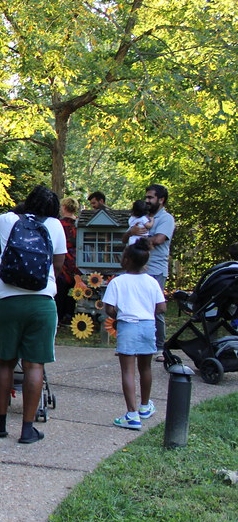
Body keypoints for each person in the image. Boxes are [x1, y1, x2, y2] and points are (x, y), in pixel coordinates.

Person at [0, 185, 66, 444]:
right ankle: (27, 429)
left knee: (5, 362)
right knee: (34, 364)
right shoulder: (55, 225)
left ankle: (0, 422)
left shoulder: (8, 220)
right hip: (41, 303)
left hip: (8, 302)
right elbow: (58, 264)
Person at [102, 239, 166, 430]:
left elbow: (109, 309)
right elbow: (162, 307)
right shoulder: (152, 281)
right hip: (148, 326)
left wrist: (119, 314)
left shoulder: (117, 282)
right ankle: (145, 406)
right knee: (145, 368)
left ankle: (132, 415)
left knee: (127, 371)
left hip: (127, 326)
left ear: (126, 260)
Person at [127, 184, 173, 360]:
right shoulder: (140, 217)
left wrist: (137, 241)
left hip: (155, 269)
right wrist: (131, 232)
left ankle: (160, 348)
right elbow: (124, 238)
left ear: (161, 200)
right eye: (146, 197)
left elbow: (159, 239)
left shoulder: (166, 219)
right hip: (136, 269)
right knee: (134, 307)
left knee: (156, 308)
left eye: (150, 197)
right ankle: (136, 345)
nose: (147, 200)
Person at [55, 197, 80, 325]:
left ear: (64, 207)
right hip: (77, 259)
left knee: (60, 288)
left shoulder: (59, 224)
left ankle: (59, 316)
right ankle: (70, 315)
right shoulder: (79, 224)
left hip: (63, 258)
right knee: (75, 290)